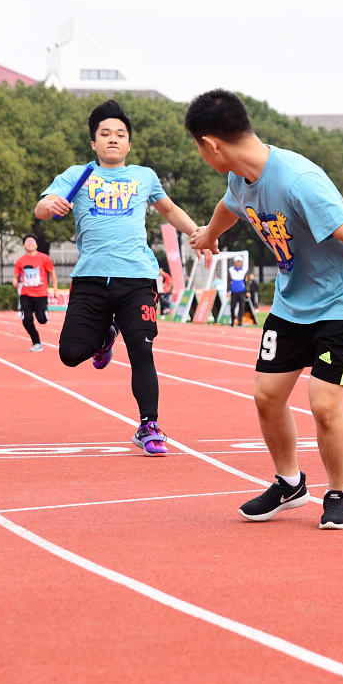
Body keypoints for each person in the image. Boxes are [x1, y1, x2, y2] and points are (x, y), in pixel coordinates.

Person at [186, 89, 343, 529]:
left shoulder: (299, 180)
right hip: (291, 304)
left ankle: (338, 494)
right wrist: (209, 234)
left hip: (341, 305)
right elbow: (230, 208)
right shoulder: (239, 178)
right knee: (266, 396)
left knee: (323, 403)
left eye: (197, 147)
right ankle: (290, 484)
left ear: (210, 144)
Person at [36, 99, 205, 458]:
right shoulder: (77, 175)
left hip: (137, 279)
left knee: (142, 351)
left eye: (120, 134)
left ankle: (149, 425)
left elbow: (169, 209)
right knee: (70, 354)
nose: (113, 139)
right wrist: (51, 206)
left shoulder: (144, 176)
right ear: (94, 143)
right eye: (105, 134)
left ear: (129, 144)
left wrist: (199, 234)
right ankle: (103, 338)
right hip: (91, 279)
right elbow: (42, 207)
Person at [12, 233, 56, 352]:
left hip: (41, 294)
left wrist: (55, 289)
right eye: (27, 242)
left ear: (36, 245)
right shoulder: (20, 261)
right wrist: (15, 282)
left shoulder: (44, 258)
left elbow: (52, 273)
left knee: (41, 319)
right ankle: (36, 342)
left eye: (32, 241)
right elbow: (15, 277)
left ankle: (44, 313)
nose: (30, 243)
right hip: (26, 294)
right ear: (24, 245)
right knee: (26, 320)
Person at [227, 255, 255, 326]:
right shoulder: (231, 270)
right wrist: (228, 291)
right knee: (232, 307)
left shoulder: (245, 270)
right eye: (237, 262)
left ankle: (240, 322)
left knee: (241, 307)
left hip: (241, 291)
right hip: (233, 291)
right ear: (235, 262)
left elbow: (247, 281)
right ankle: (232, 320)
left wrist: (247, 291)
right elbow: (228, 281)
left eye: (239, 262)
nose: (238, 263)